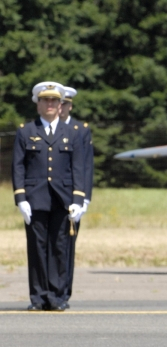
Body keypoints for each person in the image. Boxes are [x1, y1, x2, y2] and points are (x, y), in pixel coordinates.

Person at [12, 82, 86, 311]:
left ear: (61, 105)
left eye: (55, 101)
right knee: (37, 247)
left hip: (62, 199)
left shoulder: (71, 133)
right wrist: (21, 198)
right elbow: (18, 167)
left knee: (59, 247)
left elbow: (78, 168)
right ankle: (38, 297)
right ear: (38, 105)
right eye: (46, 100)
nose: (51, 104)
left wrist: (78, 200)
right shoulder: (26, 131)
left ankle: (57, 296)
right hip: (35, 199)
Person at [59, 86, 94, 306]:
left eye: (65, 104)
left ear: (70, 106)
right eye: (58, 103)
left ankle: (64, 293)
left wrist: (85, 199)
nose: (61, 107)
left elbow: (87, 166)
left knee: (67, 247)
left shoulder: (80, 129)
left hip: (73, 196)